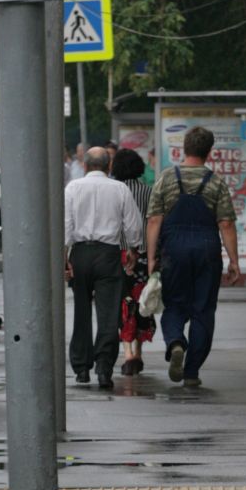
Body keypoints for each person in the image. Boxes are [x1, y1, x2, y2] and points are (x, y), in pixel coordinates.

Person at [145, 126, 242, 387]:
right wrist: (234, 260)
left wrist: (152, 256)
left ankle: (176, 341)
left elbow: (154, 220)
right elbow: (226, 224)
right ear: (209, 151)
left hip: (173, 250)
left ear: (185, 148)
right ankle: (191, 372)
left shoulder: (166, 178)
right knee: (202, 310)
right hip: (207, 250)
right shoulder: (216, 182)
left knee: (174, 304)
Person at [64, 145, 144, 389]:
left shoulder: (72, 188)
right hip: (109, 254)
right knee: (108, 313)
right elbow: (132, 225)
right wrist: (133, 249)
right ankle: (104, 368)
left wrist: (64, 257)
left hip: (81, 253)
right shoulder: (119, 189)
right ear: (109, 166)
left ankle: (81, 368)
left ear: (85, 165)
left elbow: (65, 224)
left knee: (81, 310)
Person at [111, 146, 155, 376]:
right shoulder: (149, 192)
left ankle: (127, 351)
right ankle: (138, 350)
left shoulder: (114, 191)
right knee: (142, 301)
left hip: (119, 254)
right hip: (145, 255)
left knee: (123, 301)